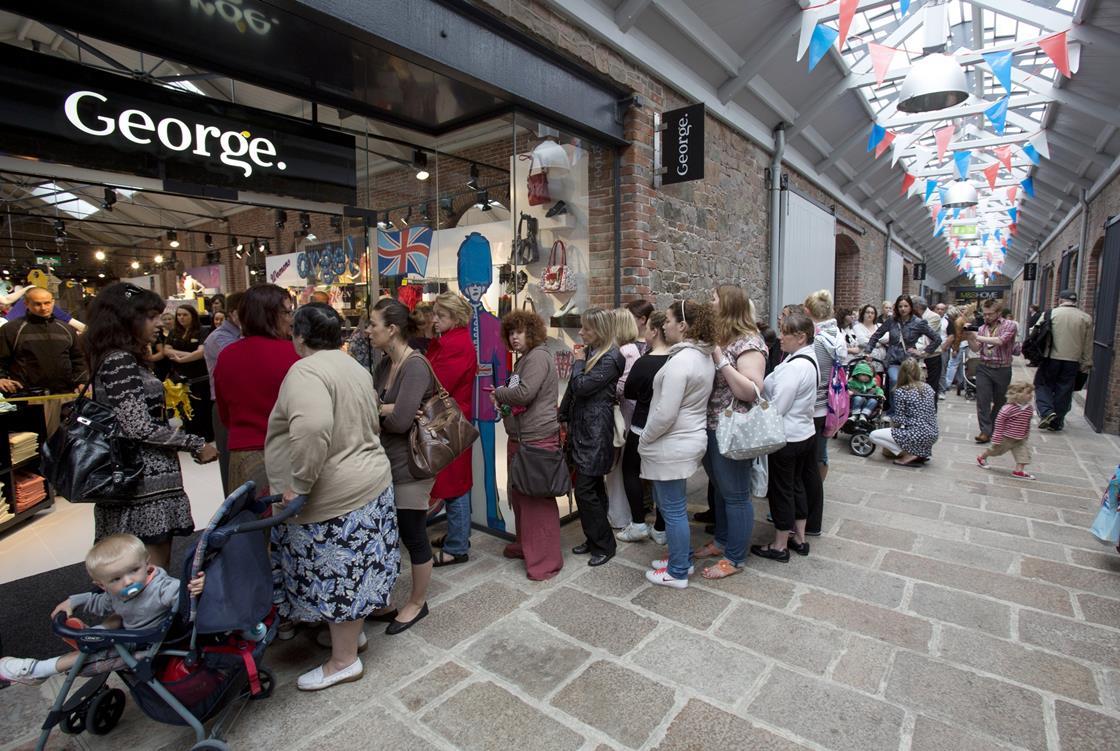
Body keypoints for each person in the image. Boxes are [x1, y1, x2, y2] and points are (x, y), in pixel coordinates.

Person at [266, 303, 399, 691]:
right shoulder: (352, 366)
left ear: (301, 335)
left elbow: (313, 428)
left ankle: (343, 660)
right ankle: (350, 636)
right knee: (356, 572)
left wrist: (300, 483)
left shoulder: (306, 370)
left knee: (337, 576)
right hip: (368, 481)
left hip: (334, 494)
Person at [82, 283, 218, 570]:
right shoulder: (119, 362)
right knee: (147, 574)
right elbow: (137, 426)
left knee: (146, 572)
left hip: (145, 482)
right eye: (151, 316)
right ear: (125, 318)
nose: (159, 323)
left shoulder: (123, 358)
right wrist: (194, 442)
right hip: (141, 485)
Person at [0, 534, 205, 685]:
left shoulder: (161, 588)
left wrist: (199, 586)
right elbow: (100, 602)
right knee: (115, 614)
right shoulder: (117, 592)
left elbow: (186, 598)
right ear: (102, 585)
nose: (128, 581)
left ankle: (39, 670)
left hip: (149, 643)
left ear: (147, 565)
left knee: (87, 658)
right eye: (116, 579)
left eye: (134, 570)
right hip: (130, 630)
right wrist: (74, 601)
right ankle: (96, 634)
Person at [370, 298, 437, 632]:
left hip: (412, 464)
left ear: (392, 329)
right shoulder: (384, 364)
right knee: (387, 533)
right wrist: (386, 408)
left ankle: (417, 602)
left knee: (413, 533)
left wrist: (381, 409)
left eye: (374, 325)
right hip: (386, 463)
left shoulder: (415, 365)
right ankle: (384, 599)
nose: (368, 331)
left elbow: (398, 421)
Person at [692, 285, 767, 578]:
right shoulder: (723, 338)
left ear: (728, 305)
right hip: (711, 426)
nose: (708, 302)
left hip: (733, 430)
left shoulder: (749, 342)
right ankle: (722, 541)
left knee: (736, 495)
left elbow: (750, 390)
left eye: (712, 298)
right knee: (721, 491)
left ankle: (735, 558)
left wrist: (721, 359)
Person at [641, 300, 716, 588]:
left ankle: (678, 571)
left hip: (672, 442)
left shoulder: (683, 360)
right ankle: (680, 556)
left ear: (683, 325)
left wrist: (645, 438)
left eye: (669, 321)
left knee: (672, 509)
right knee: (673, 506)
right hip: (686, 438)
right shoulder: (700, 356)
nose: (665, 326)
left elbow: (665, 413)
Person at [493, 310, 563, 580]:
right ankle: (527, 546)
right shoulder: (524, 359)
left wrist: (498, 393)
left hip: (535, 439)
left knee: (536, 501)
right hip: (523, 439)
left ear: (531, 332)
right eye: (511, 332)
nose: (514, 337)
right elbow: (515, 397)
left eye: (519, 332)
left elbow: (523, 393)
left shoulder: (537, 358)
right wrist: (503, 401)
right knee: (522, 497)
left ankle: (545, 561)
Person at [213, 286, 299, 498]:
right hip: (286, 452)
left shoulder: (227, 356)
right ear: (270, 315)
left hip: (242, 456)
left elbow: (224, 413)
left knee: (249, 523)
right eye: (287, 312)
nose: (291, 319)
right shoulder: (295, 354)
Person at [559, 308, 625, 567]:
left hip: (596, 431)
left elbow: (582, 386)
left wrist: (576, 363)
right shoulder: (593, 352)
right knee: (592, 487)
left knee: (586, 489)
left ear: (601, 330)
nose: (581, 332)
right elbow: (573, 393)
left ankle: (605, 544)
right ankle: (594, 538)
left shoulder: (612, 357)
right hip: (582, 427)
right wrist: (562, 414)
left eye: (586, 328)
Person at [751, 312, 819, 562]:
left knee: (781, 490)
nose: (780, 337)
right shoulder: (806, 359)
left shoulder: (796, 366)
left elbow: (779, 406)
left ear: (801, 337)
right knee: (797, 486)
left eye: (785, 332)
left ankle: (780, 545)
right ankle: (799, 538)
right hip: (805, 433)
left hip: (788, 438)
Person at [425, 293, 478, 565]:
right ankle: (458, 535)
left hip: (449, 423)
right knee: (455, 481)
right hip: (451, 420)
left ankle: (457, 547)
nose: (434, 319)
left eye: (440, 315)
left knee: (454, 484)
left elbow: (435, 383)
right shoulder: (449, 340)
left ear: (455, 318)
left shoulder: (454, 344)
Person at [0, 286, 87, 434]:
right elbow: (1, 359)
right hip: (30, 398)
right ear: (26, 304)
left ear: (53, 302)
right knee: (35, 445)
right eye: (38, 304)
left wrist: (82, 381)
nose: (43, 307)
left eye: (47, 303)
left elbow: (78, 359)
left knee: (64, 441)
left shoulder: (66, 329)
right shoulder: (11, 329)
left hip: (65, 395)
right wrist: (1, 378)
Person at [621, 311, 672, 544]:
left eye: (647, 328)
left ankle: (638, 523)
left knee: (631, 471)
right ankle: (661, 528)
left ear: (654, 331)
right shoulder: (677, 359)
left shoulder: (645, 362)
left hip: (642, 425)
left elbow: (629, 391)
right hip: (669, 429)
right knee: (662, 478)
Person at [803, 290, 846, 513]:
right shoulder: (836, 335)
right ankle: (815, 493)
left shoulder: (818, 340)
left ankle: (812, 498)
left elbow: (813, 373)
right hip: (831, 403)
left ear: (807, 311)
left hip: (816, 406)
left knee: (812, 456)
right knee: (822, 452)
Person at [1034, 290, 1093, 432]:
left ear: (1060, 300)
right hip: (1072, 360)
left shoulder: (1050, 314)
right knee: (1064, 390)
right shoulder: (1085, 318)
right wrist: (1086, 363)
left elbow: (1035, 333)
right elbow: (1088, 343)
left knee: (1042, 384)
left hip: (1051, 357)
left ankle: (1047, 411)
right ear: (1075, 301)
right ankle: (1057, 421)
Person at [203, 290, 244, 495]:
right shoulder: (220, 338)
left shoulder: (240, 336)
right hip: (227, 408)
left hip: (244, 407)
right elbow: (242, 367)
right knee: (232, 470)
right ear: (235, 314)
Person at [865, 295, 940, 406]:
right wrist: (868, 351)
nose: (903, 309)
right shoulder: (892, 321)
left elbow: (937, 339)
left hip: (909, 361)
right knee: (895, 381)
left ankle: (907, 412)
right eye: (900, 306)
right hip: (893, 360)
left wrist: (923, 352)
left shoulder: (919, 322)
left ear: (911, 307)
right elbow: (876, 335)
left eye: (906, 306)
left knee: (909, 387)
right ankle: (893, 413)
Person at [608, 308, 643, 536]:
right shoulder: (632, 350)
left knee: (618, 469)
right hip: (629, 414)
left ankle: (620, 516)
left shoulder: (625, 351)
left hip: (624, 414)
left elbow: (621, 386)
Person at [965, 298, 1017, 443]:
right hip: (984, 367)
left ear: (999, 313)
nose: (986, 317)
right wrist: (969, 337)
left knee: (1000, 401)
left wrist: (978, 337)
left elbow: (1000, 341)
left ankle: (994, 426)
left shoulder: (1009, 325)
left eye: (990, 314)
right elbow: (976, 348)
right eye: (985, 314)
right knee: (983, 400)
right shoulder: (982, 328)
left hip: (1002, 368)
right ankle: (985, 431)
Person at [869, 358, 938, 466]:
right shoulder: (928, 388)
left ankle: (910, 453)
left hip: (917, 434)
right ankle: (919, 452)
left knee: (873, 435)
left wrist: (890, 421)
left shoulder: (901, 391)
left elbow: (900, 419)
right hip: (933, 433)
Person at [164, 305, 214, 441]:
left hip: (200, 377)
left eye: (185, 315)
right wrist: (187, 356)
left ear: (192, 316)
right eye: (179, 315)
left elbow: (201, 353)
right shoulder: (174, 332)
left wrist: (181, 359)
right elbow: (167, 350)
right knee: (184, 410)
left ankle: (207, 436)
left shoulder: (202, 331)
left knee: (202, 409)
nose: (181, 318)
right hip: (180, 379)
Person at [978, 382, 1036, 479]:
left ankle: (1019, 471)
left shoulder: (1029, 409)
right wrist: (997, 436)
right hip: (1006, 437)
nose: (1031, 396)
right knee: (995, 451)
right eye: (1028, 393)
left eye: (1031, 393)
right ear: (1018, 394)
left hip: (1019, 438)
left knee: (1023, 453)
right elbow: (1000, 423)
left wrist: (1026, 434)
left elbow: (1027, 423)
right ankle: (982, 457)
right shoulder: (1008, 408)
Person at [913, 296, 945, 402]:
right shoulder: (913, 317)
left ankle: (931, 412)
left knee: (931, 386)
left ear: (916, 307)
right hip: (916, 356)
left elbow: (924, 334)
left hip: (932, 356)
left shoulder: (933, 317)